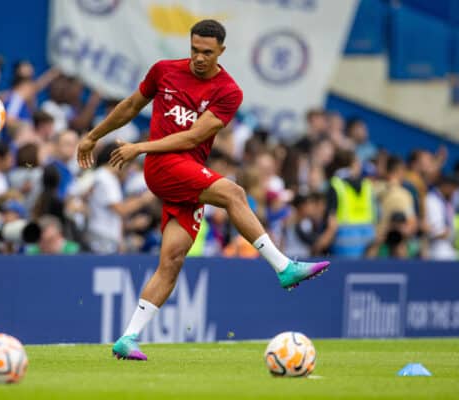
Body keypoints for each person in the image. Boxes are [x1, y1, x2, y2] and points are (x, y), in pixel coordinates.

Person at [76, 20, 329, 361]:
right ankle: (283, 266)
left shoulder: (228, 91)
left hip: (184, 170)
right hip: (164, 166)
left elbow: (195, 136)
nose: (198, 57)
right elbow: (130, 106)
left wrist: (140, 146)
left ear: (221, 52)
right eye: (194, 49)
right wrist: (94, 135)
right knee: (234, 194)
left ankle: (128, 337)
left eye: (206, 52)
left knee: (173, 260)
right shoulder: (164, 71)